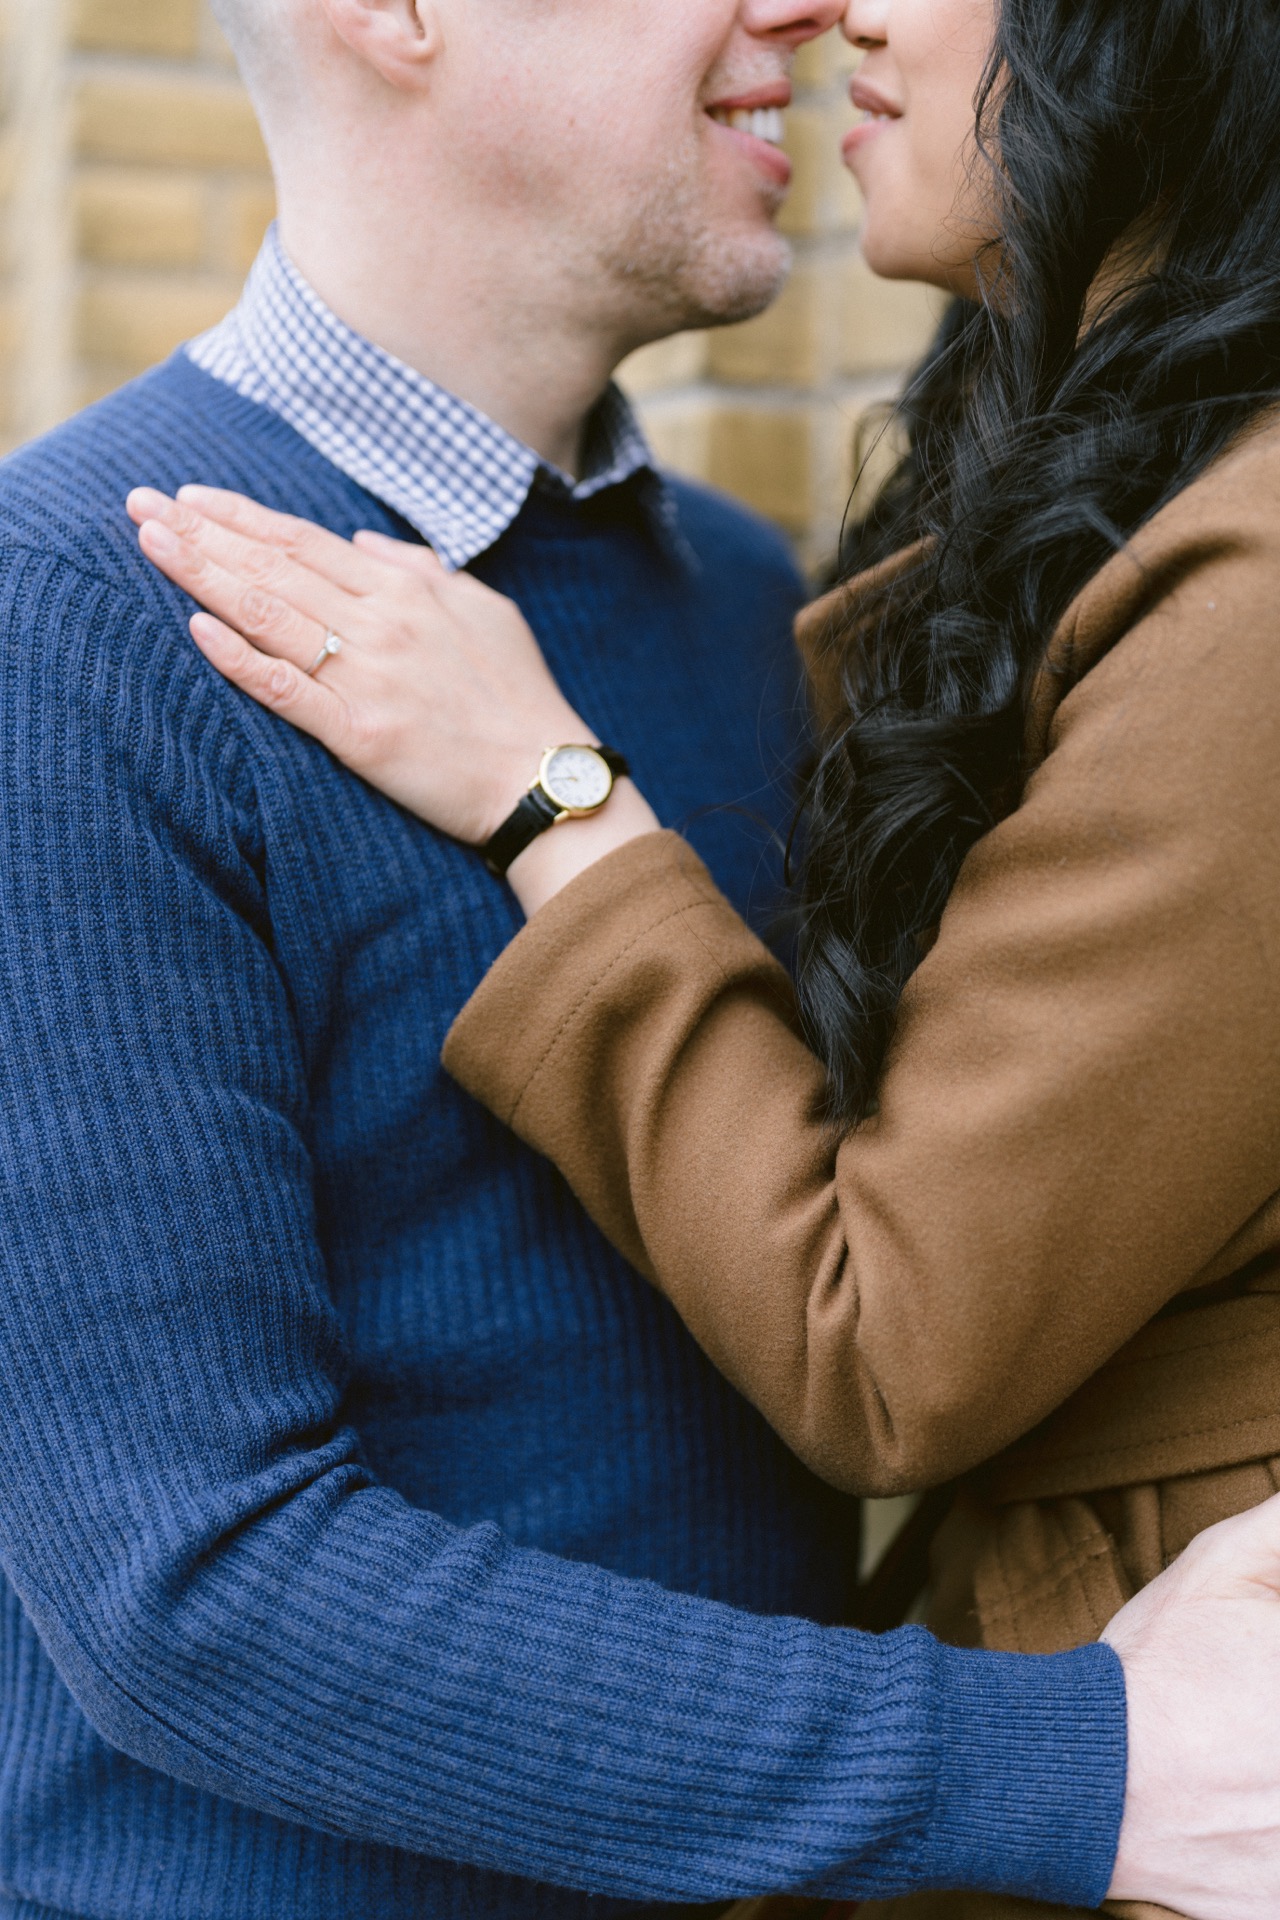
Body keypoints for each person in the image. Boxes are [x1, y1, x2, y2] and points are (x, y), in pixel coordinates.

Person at [127, 0, 1280, 1915]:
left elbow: (884, 1332)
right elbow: (190, 1578)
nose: (843, 9)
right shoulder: (83, 607)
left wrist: (559, 804)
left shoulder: (1209, 587)